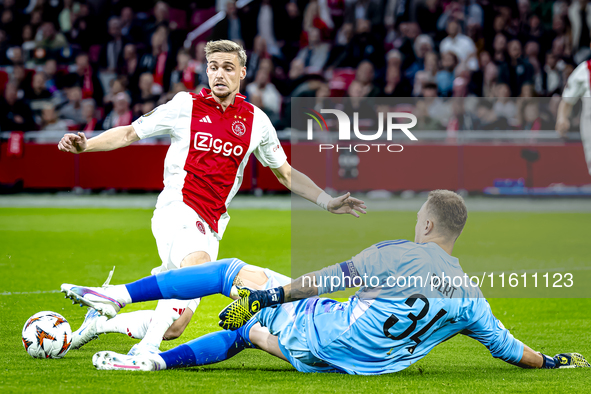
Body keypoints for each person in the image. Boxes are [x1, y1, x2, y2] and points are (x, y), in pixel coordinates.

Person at [57, 40, 366, 357]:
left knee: (176, 326)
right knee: (200, 266)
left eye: (228, 68)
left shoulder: (255, 121)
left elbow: (285, 173)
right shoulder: (184, 105)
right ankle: (143, 345)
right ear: (206, 70)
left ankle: (96, 325)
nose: (220, 74)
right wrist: (87, 145)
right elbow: (129, 133)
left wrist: (326, 201)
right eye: (214, 67)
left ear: (242, 73)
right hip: (177, 208)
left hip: (211, 224)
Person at [61, 190, 590, 373]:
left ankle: (119, 295)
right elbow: (507, 348)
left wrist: (265, 295)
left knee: (230, 275)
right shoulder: (471, 296)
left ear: (426, 225)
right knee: (248, 332)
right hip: (364, 367)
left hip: (326, 334)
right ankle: (156, 358)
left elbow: (324, 281)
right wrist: (553, 360)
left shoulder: (400, 253)